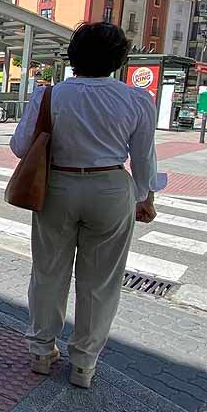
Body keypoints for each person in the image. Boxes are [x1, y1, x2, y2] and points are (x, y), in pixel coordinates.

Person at [11, 22, 160, 389]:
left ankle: (41, 353)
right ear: (119, 60)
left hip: (57, 186)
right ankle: (84, 364)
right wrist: (144, 197)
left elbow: (20, 147)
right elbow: (144, 160)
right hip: (110, 188)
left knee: (48, 272)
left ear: (73, 56)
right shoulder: (137, 100)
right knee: (101, 282)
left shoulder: (49, 95)